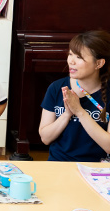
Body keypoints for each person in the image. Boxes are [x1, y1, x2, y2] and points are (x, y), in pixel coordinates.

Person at [39, 30, 110, 162]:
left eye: (79, 57)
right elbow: (45, 138)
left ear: (99, 63)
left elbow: (108, 146)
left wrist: (79, 111)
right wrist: (67, 114)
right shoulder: (56, 88)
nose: (71, 61)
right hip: (58, 164)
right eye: (71, 54)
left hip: (95, 167)